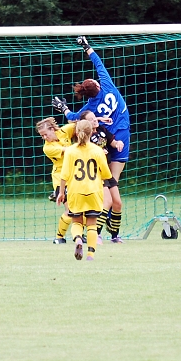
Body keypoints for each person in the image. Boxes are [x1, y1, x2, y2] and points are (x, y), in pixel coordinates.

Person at [52, 35, 130, 243]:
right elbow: (98, 63)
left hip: (105, 138)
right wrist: (86, 46)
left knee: (109, 191)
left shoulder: (90, 109)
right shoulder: (108, 86)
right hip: (117, 136)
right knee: (111, 186)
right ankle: (100, 231)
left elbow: (73, 117)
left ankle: (106, 230)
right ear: (98, 85)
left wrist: (64, 108)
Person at [56, 120, 114, 260]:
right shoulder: (98, 150)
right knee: (92, 224)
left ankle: (78, 240)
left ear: (76, 133)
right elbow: (106, 174)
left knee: (77, 222)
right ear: (91, 132)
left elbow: (64, 175)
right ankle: (90, 255)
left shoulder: (70, 151)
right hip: (94, 191)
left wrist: (61, 192)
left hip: (75, 191)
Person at [79, 111, 124, 244]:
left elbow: (112, 142)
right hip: (95, 173)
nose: (95, 120)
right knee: (107, 202)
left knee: (117, 203)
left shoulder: (102, 130)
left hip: (106, 172)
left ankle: (114, 235)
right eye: (91, 119)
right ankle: (95, 234)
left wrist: (118, 143)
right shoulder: (85, 136)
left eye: (95, 118)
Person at [36, 117, 74, 244]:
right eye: (42, 136)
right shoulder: (47, 148)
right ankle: (59, 237)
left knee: (81, 209)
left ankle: (79, 235)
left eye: (45, 134)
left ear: (52, 129)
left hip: (75, 177)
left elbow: (81, 124)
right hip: (61, 179)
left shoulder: (64, 131)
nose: (44, 138)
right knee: (70, 210)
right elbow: (69, 151)